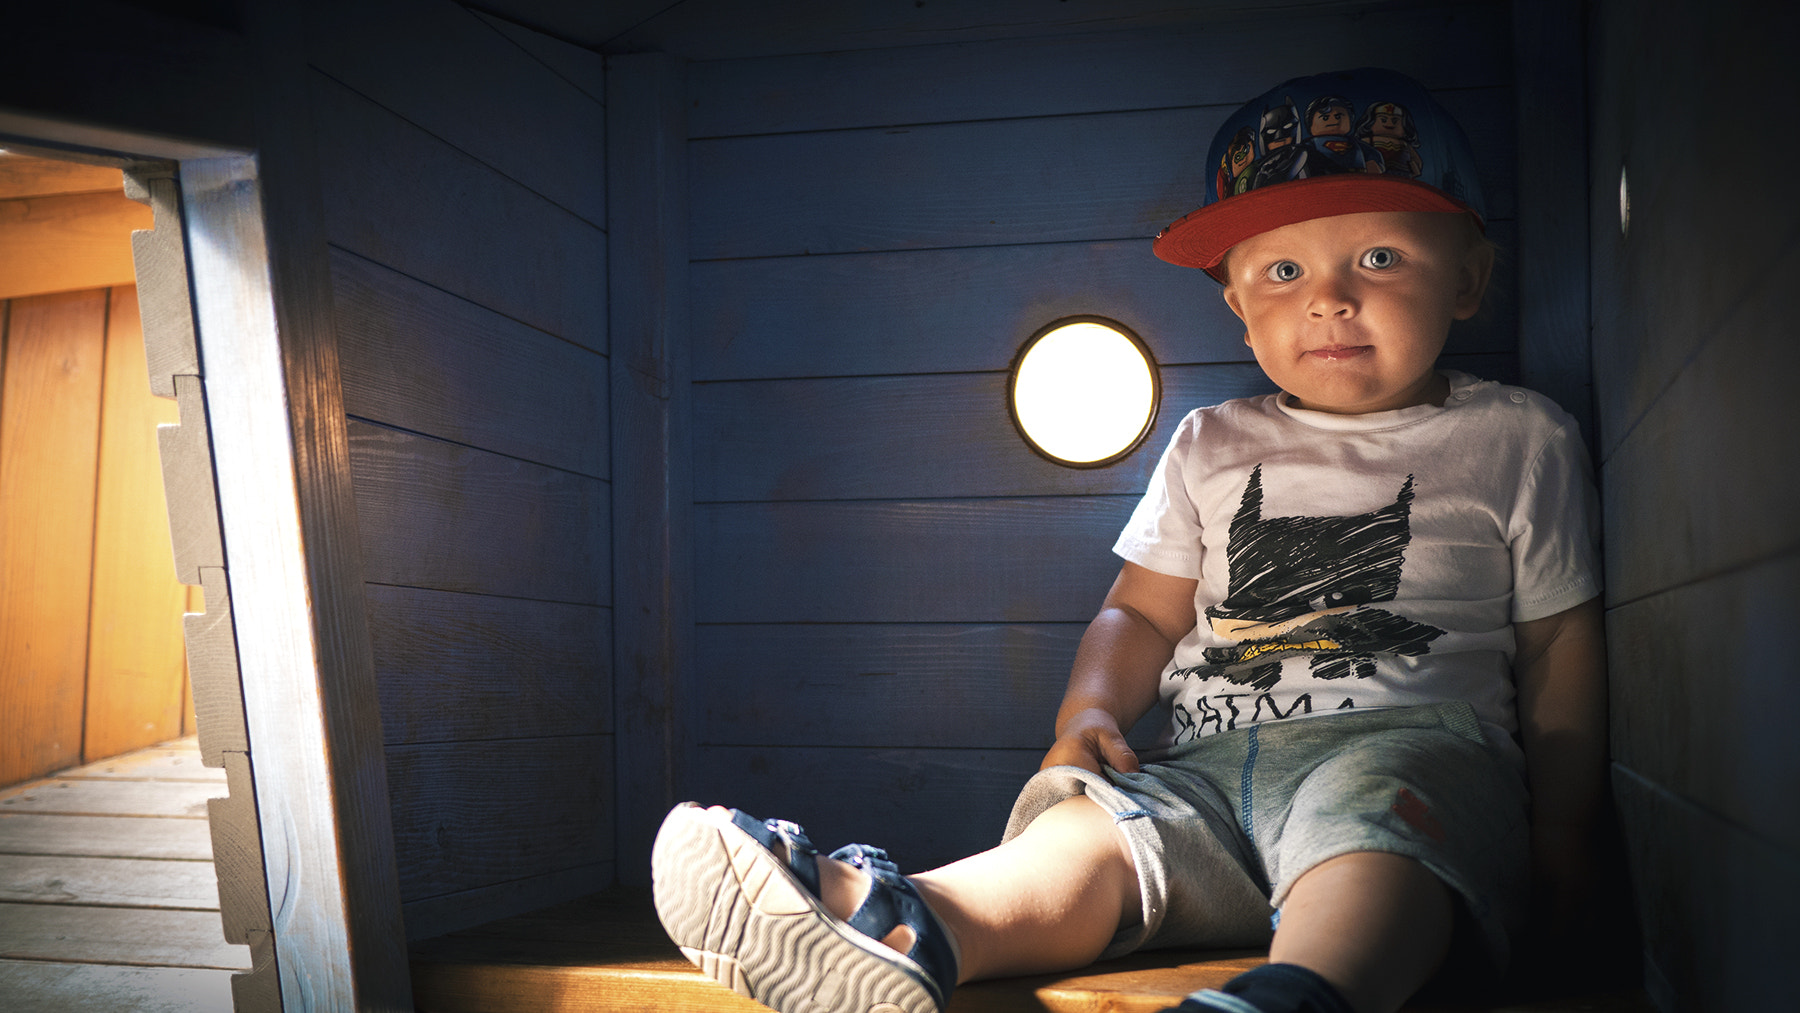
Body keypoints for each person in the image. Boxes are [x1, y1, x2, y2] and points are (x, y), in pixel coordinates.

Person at [650, 67, 1606, 1013]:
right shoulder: (1211, 440)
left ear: (1470, 279)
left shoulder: (1517, 436)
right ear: (1237, 301)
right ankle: (906, 921)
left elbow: (1559, 640)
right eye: (1284, 271)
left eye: (1381, 258)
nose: (1329, 298)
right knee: (1091, 833)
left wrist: (1561, 829)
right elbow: (1140, 613)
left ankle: (1302, 992)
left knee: (1377, 843)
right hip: (1205, 763)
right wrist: (1090, 711)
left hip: (1405, 744)